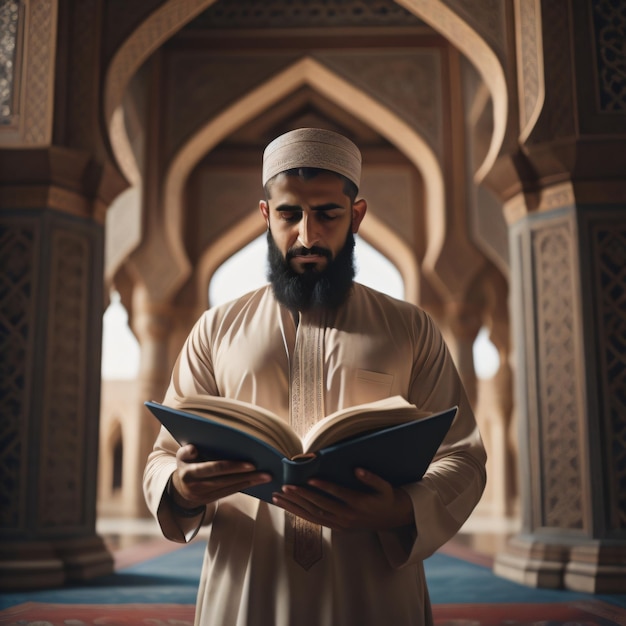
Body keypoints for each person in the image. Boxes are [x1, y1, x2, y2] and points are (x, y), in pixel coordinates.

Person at [143, 128, 487, 626]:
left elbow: (463, 457)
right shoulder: (216, 329)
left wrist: (400, 510)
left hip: (372, 588)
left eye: (327, 213)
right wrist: (181, 487)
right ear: (266, 216)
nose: (307, 235)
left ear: (357, 216)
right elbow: (163, 456)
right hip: (247, 581)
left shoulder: (410, 328)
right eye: (289, 214)